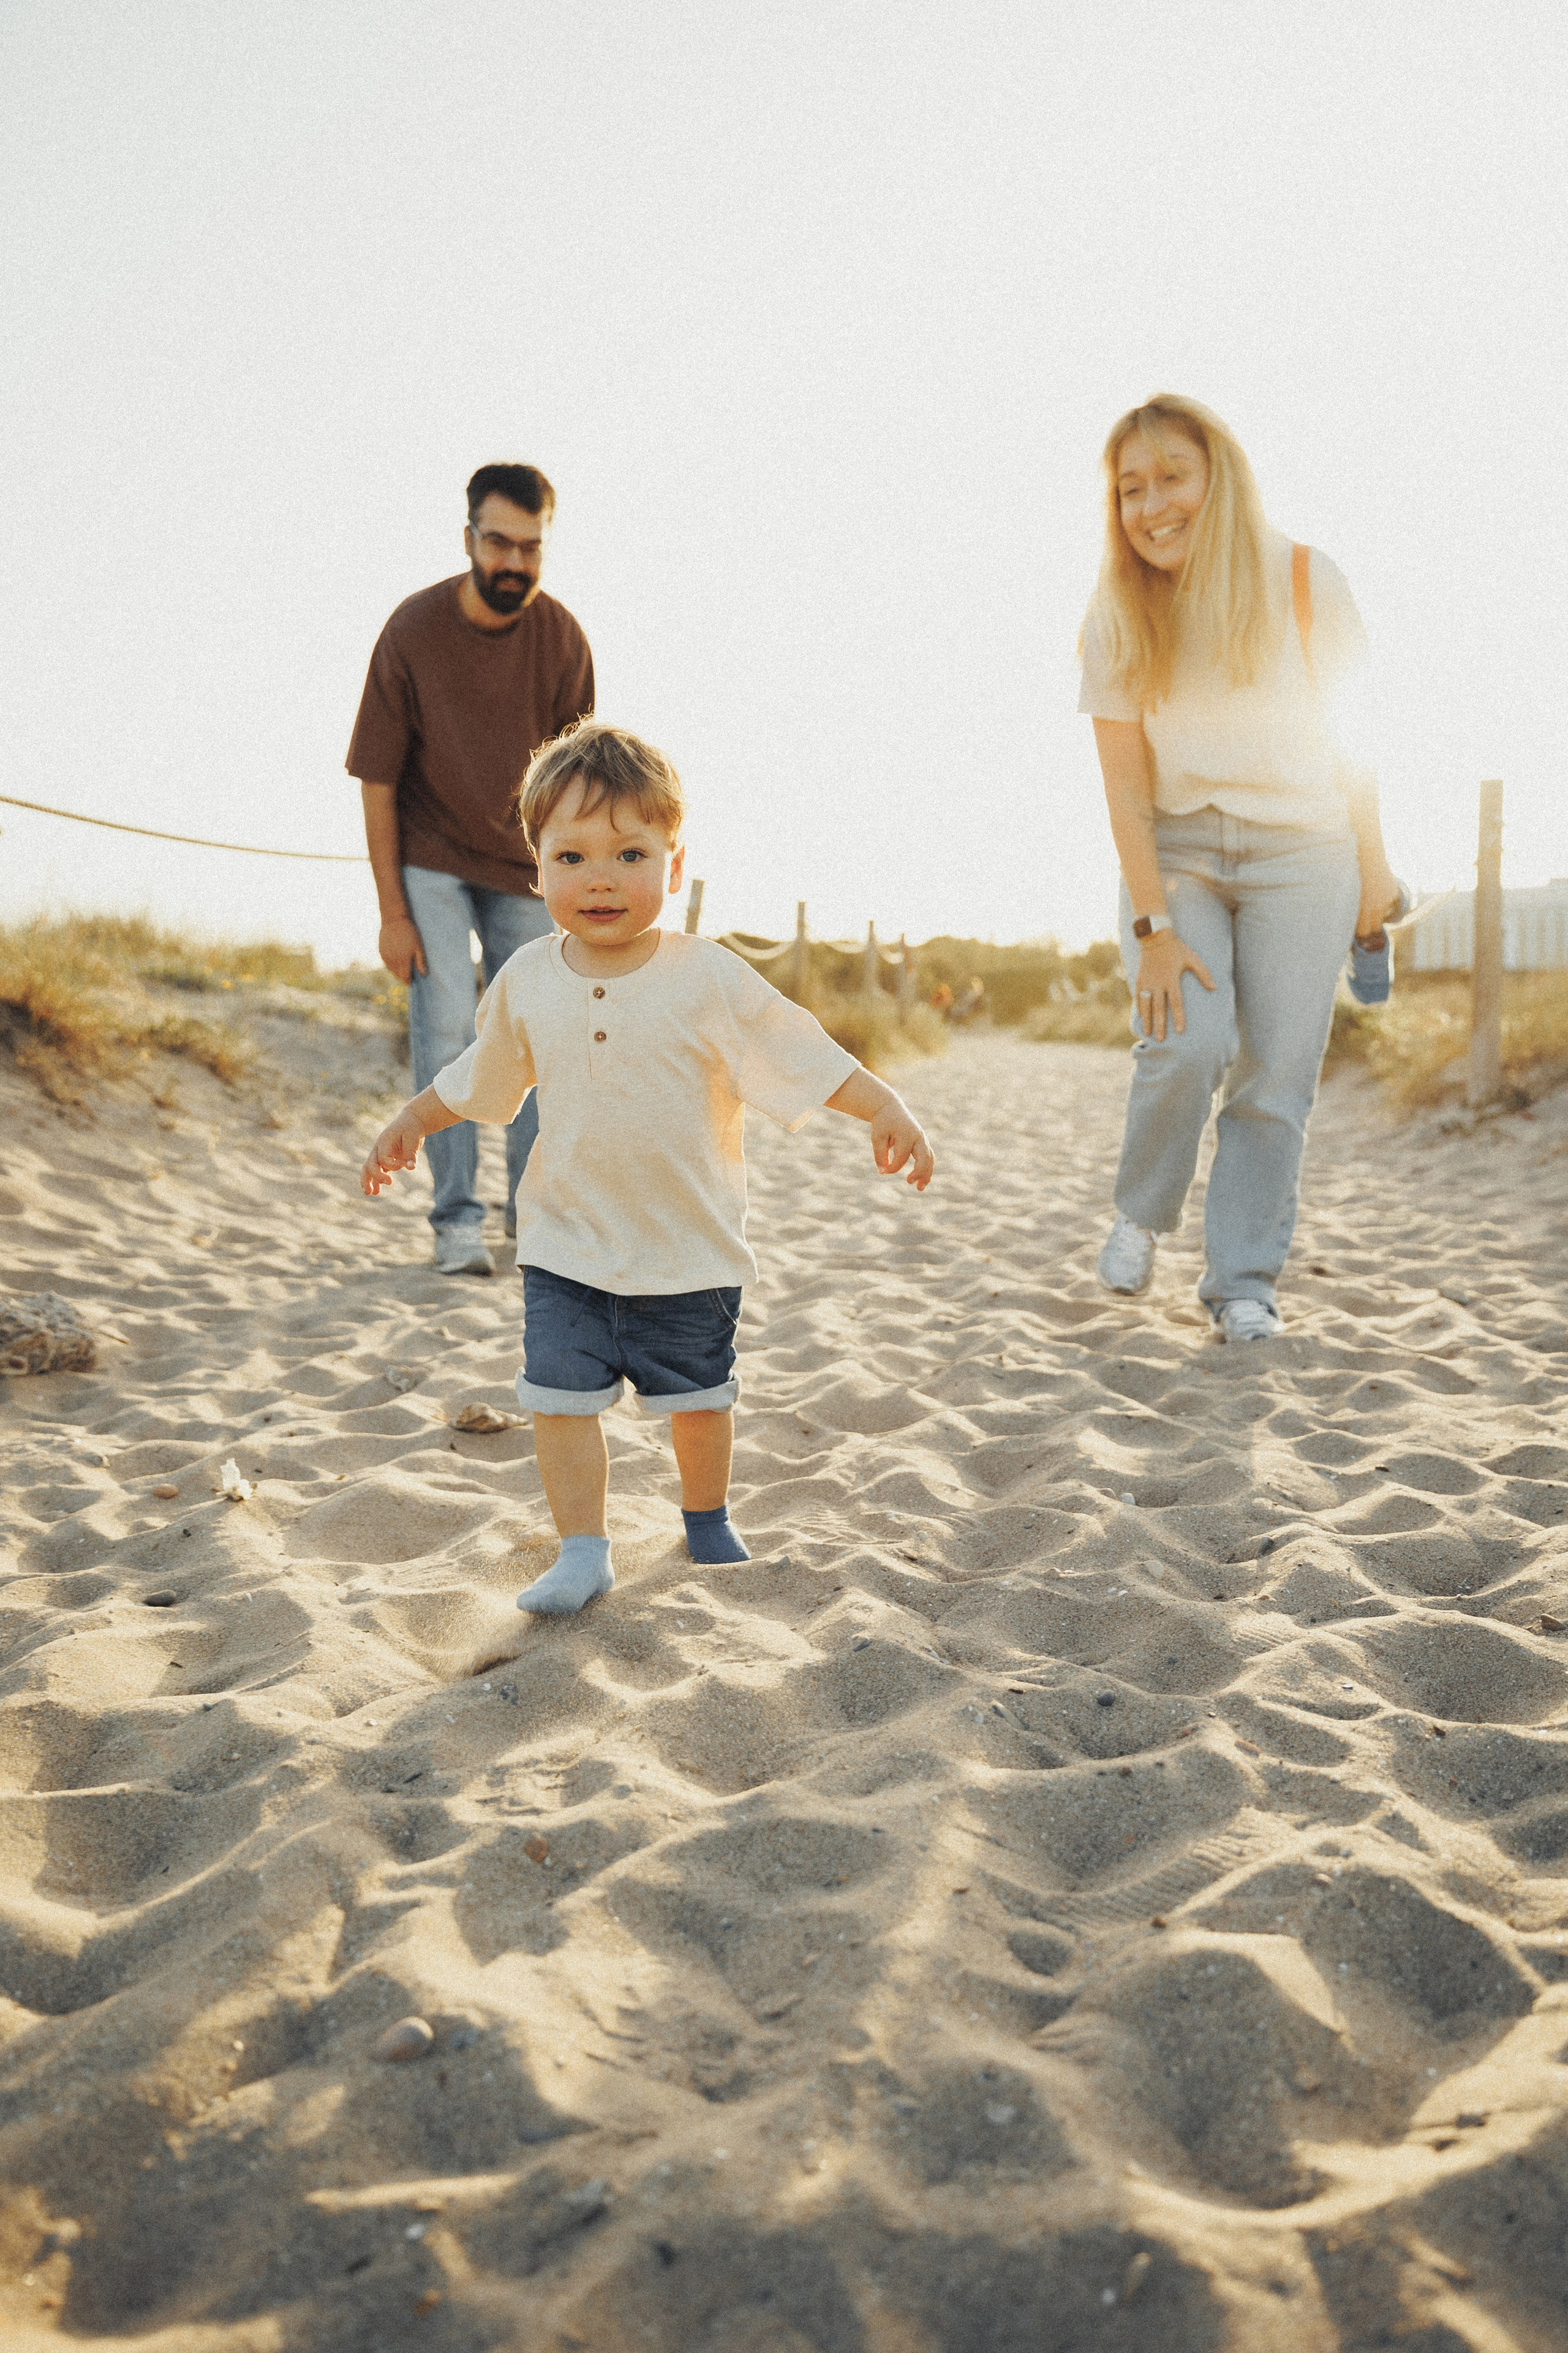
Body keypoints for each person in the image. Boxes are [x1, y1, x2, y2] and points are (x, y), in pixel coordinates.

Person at [360, 720, 935, 1615]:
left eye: (631, 853)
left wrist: (883, 1104)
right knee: (558, 1400)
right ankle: (583, 1549)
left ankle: (705, 1519)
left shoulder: (706, 976)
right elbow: (482, 1080)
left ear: (673, 865)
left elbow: (800, 1050)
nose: (601, 877)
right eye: (573, 855)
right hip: (566, 1247)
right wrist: (412, 1118)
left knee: (701, 1403)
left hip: (687, 1249)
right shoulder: (525, 978)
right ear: (536, 865)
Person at [1079, 394, 1400, 1340]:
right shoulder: (1118, 611)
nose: (1152, 504)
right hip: (1178, 849)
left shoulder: (1305, 581)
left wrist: (1374, 875)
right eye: (1131, 487)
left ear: (1219, 476)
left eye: (1171, 475)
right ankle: (1141, 1212)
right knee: (1187, 1039)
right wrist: (1153, 926)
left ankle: (1244, 1284)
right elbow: (1126, 794)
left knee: (1275, 1074)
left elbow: (1357, 741)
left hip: (1305, 853)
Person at [347, 462, 594, 1277]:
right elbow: (377, 779)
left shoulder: (562, 640)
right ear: (469, 540)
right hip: (432, 856)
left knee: (536, 1033)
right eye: (499, 542)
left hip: (524, 868)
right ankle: (456, 1219)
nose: (514, 562)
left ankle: (534, 1218)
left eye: (531, 547)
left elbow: (580, 794)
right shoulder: (412, 631)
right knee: (450, 1021)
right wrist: (392, 911)